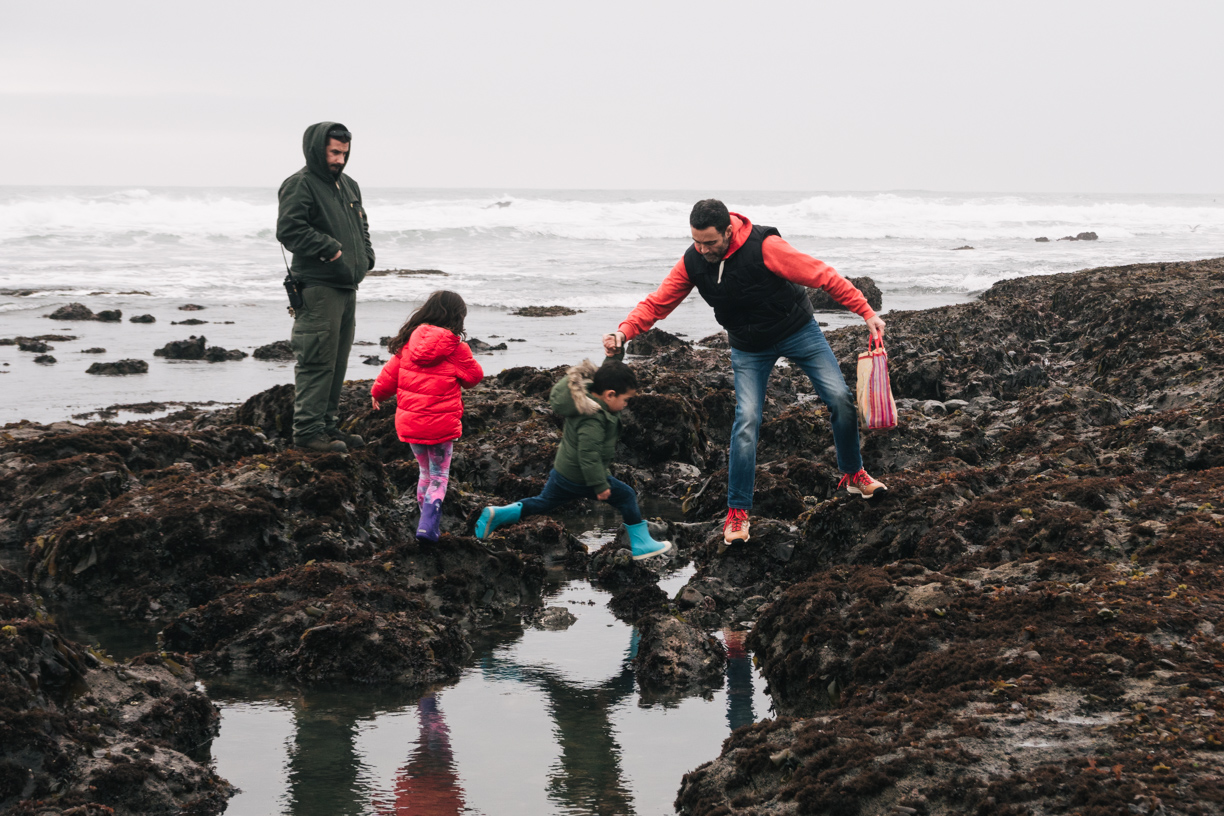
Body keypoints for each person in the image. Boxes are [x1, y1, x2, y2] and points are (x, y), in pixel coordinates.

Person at [603, 199, 888, 545]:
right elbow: (658, 302)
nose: (703, 249)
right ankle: (737, 512)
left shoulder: (766, 247)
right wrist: (624, 331)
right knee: (747, 421)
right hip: (748, 347)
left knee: (841, 399)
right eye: (696, 241)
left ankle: (853, 473)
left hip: (798, 331)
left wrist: (866, 312)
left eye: (710, 242)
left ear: (728, 230)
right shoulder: (694, 260)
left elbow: (822, 275)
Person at [475, 357, 671, 561]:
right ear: (610, 395)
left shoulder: (585, 397)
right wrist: (599, 484)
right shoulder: (593, 418)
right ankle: (641, 544)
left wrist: (613, 356)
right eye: (626, 400)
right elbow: (588, 454)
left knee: (542, 503)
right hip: (582, 476)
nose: (626, 405)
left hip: (563, 472)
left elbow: (607, 375)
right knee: (627, 496)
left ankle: (497, 515)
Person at [277, 121, 375, 453]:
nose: (339, 159)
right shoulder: (300, 184)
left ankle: (329, 428)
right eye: (334, 152)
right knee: (317, 361)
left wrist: (366, 256)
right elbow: (289, 229)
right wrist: (328, 247)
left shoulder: (349, 186)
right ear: (318, 149)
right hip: (318, 288)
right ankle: (308, 434)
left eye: (344, 153)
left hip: (347, 288)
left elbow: (361, 225)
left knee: (338, 361)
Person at [371, 291, 484, 542]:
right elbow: (474, 378)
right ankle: (427, 525)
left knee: (424, 473)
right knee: (439, 476)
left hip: (411, 422)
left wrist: (376, 394)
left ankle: (426, 524)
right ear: (457, 316)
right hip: (441, 424)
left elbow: (389, 376)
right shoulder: (456, 347)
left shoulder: (408, 343)